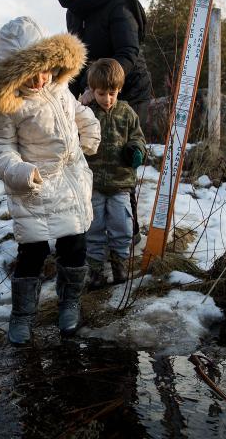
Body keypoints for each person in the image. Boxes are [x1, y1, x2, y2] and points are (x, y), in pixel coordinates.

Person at [0, 16, 101, 345]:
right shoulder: (8, 106)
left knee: (74, 245)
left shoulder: (59, 87)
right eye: (29, 74)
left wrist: (90, 128)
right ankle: (22, 315)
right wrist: (22, 173)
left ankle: (69, 304)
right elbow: (1, 150)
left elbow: (76, 110)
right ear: (13, 73)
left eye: (44, 70)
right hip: (34, 188)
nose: (39, 80)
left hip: (71, 182)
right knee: (32, 252)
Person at [54, 0, 154, 240]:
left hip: (127, 89)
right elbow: (78, 56)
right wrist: (68, 93)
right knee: (92, 155)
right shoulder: (75, 12)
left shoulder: (118, 5)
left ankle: (126, 231)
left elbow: (128, 53)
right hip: (92, 90)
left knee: (120, 155)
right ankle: (94, 224)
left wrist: (104, 85)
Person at [83, 58, 146, 288]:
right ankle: (96, 270)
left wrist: (136, 150)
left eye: (112, 93)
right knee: (94, 228)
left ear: (119, 90)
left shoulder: (127, 113)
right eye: (101, 93)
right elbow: (72, 131)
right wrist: (82, 101)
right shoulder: (86, 113)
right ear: (92, 90)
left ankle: (120, 264)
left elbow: (138, 137)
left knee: (123, 226)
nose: (107, 99)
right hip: (93, 185)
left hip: (121, 183)